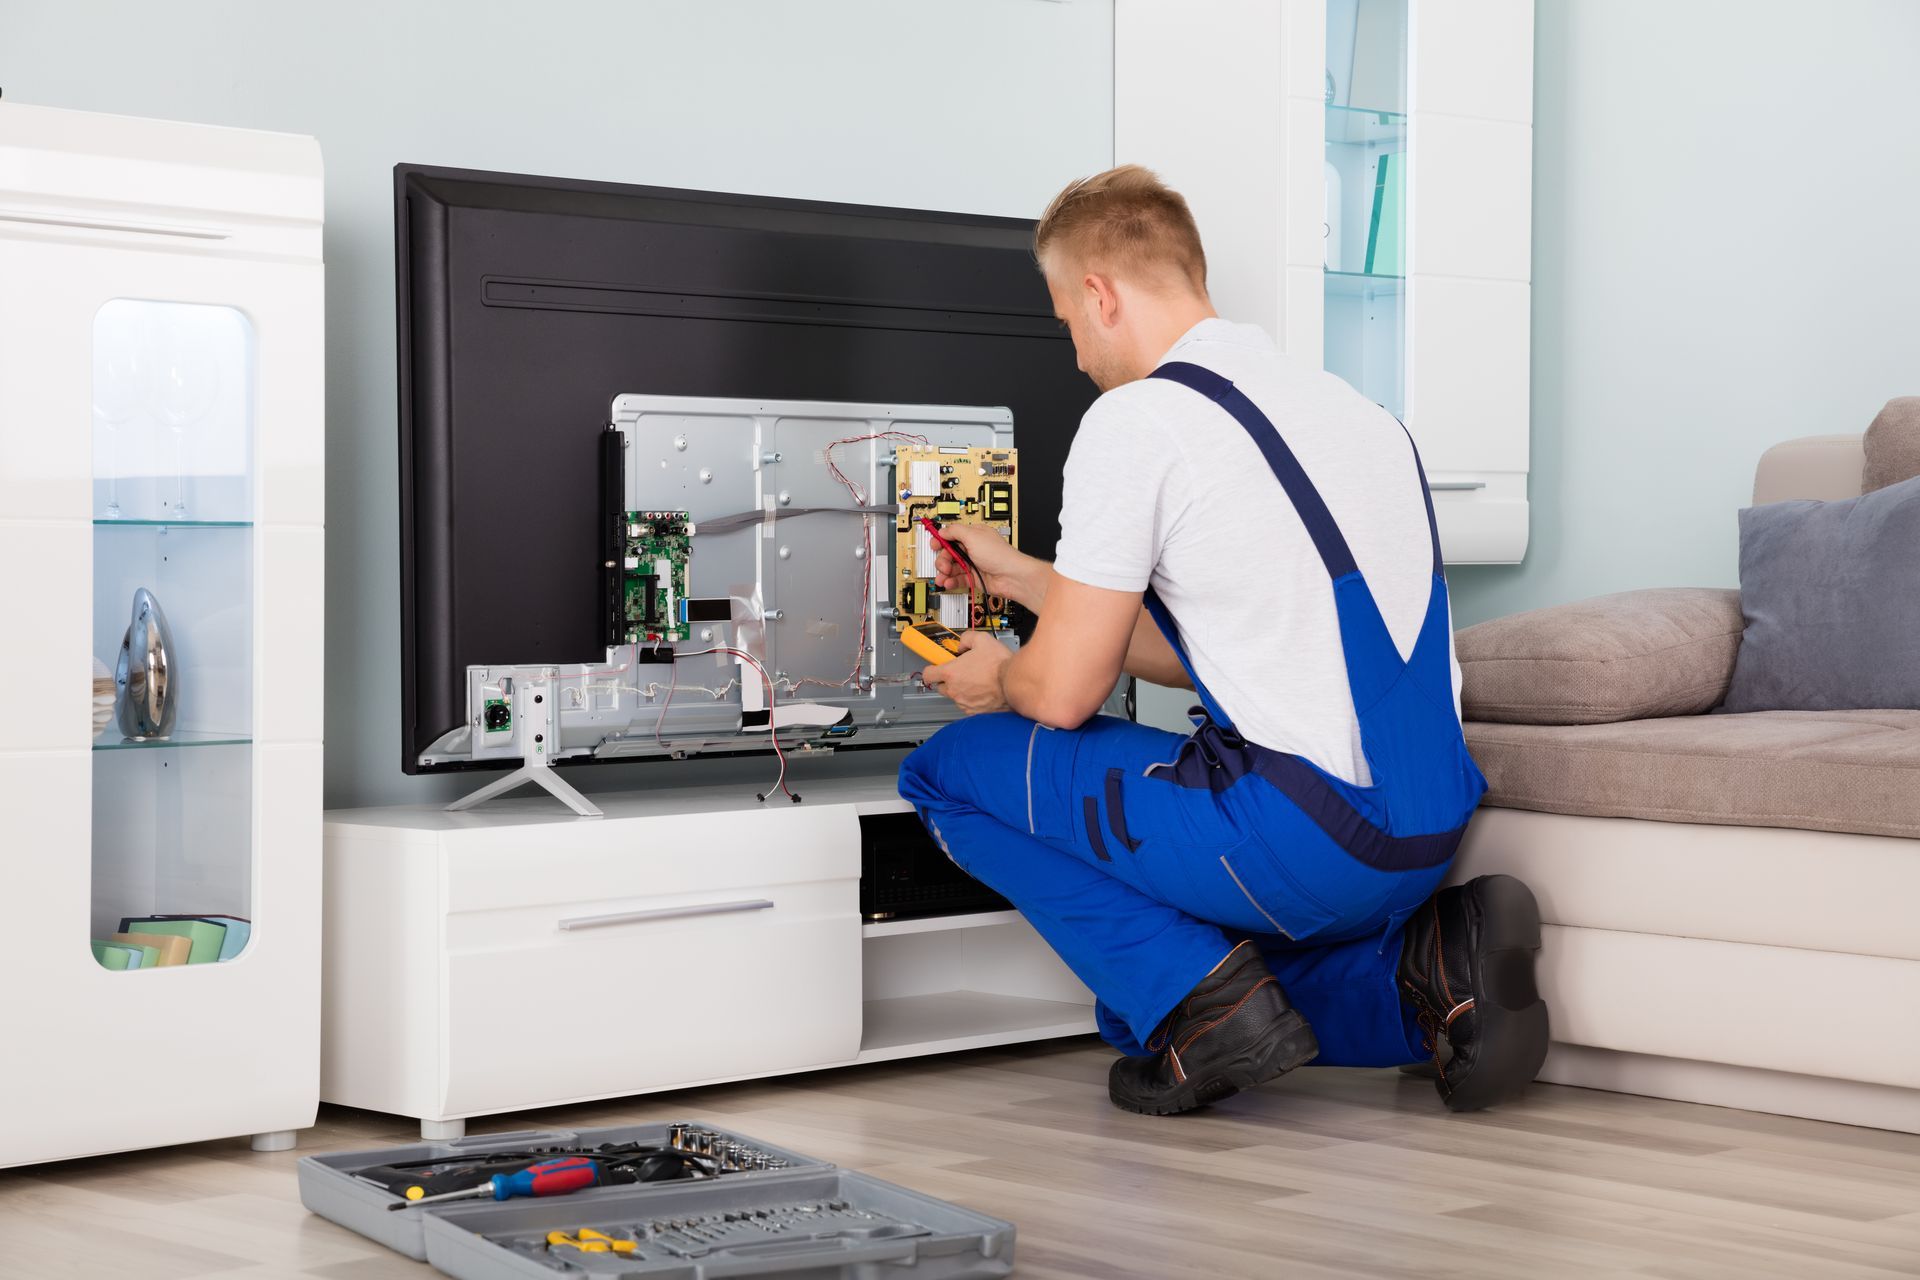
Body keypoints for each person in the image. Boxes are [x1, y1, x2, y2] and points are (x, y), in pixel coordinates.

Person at [897, 165, 1548, 1116]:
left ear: (1099, 293)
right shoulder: (1359, 417)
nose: (1074, 354)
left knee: (948, 775)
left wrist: (1004, 677)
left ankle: (1208, 1010)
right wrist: (1033, 580)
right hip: (1423, 831)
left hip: (1306, 837)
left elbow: (1064, 694)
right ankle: (1426, 975)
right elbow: (1237, 639)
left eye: (1065, 322)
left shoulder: (1137, 420)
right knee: (1137, 1011)